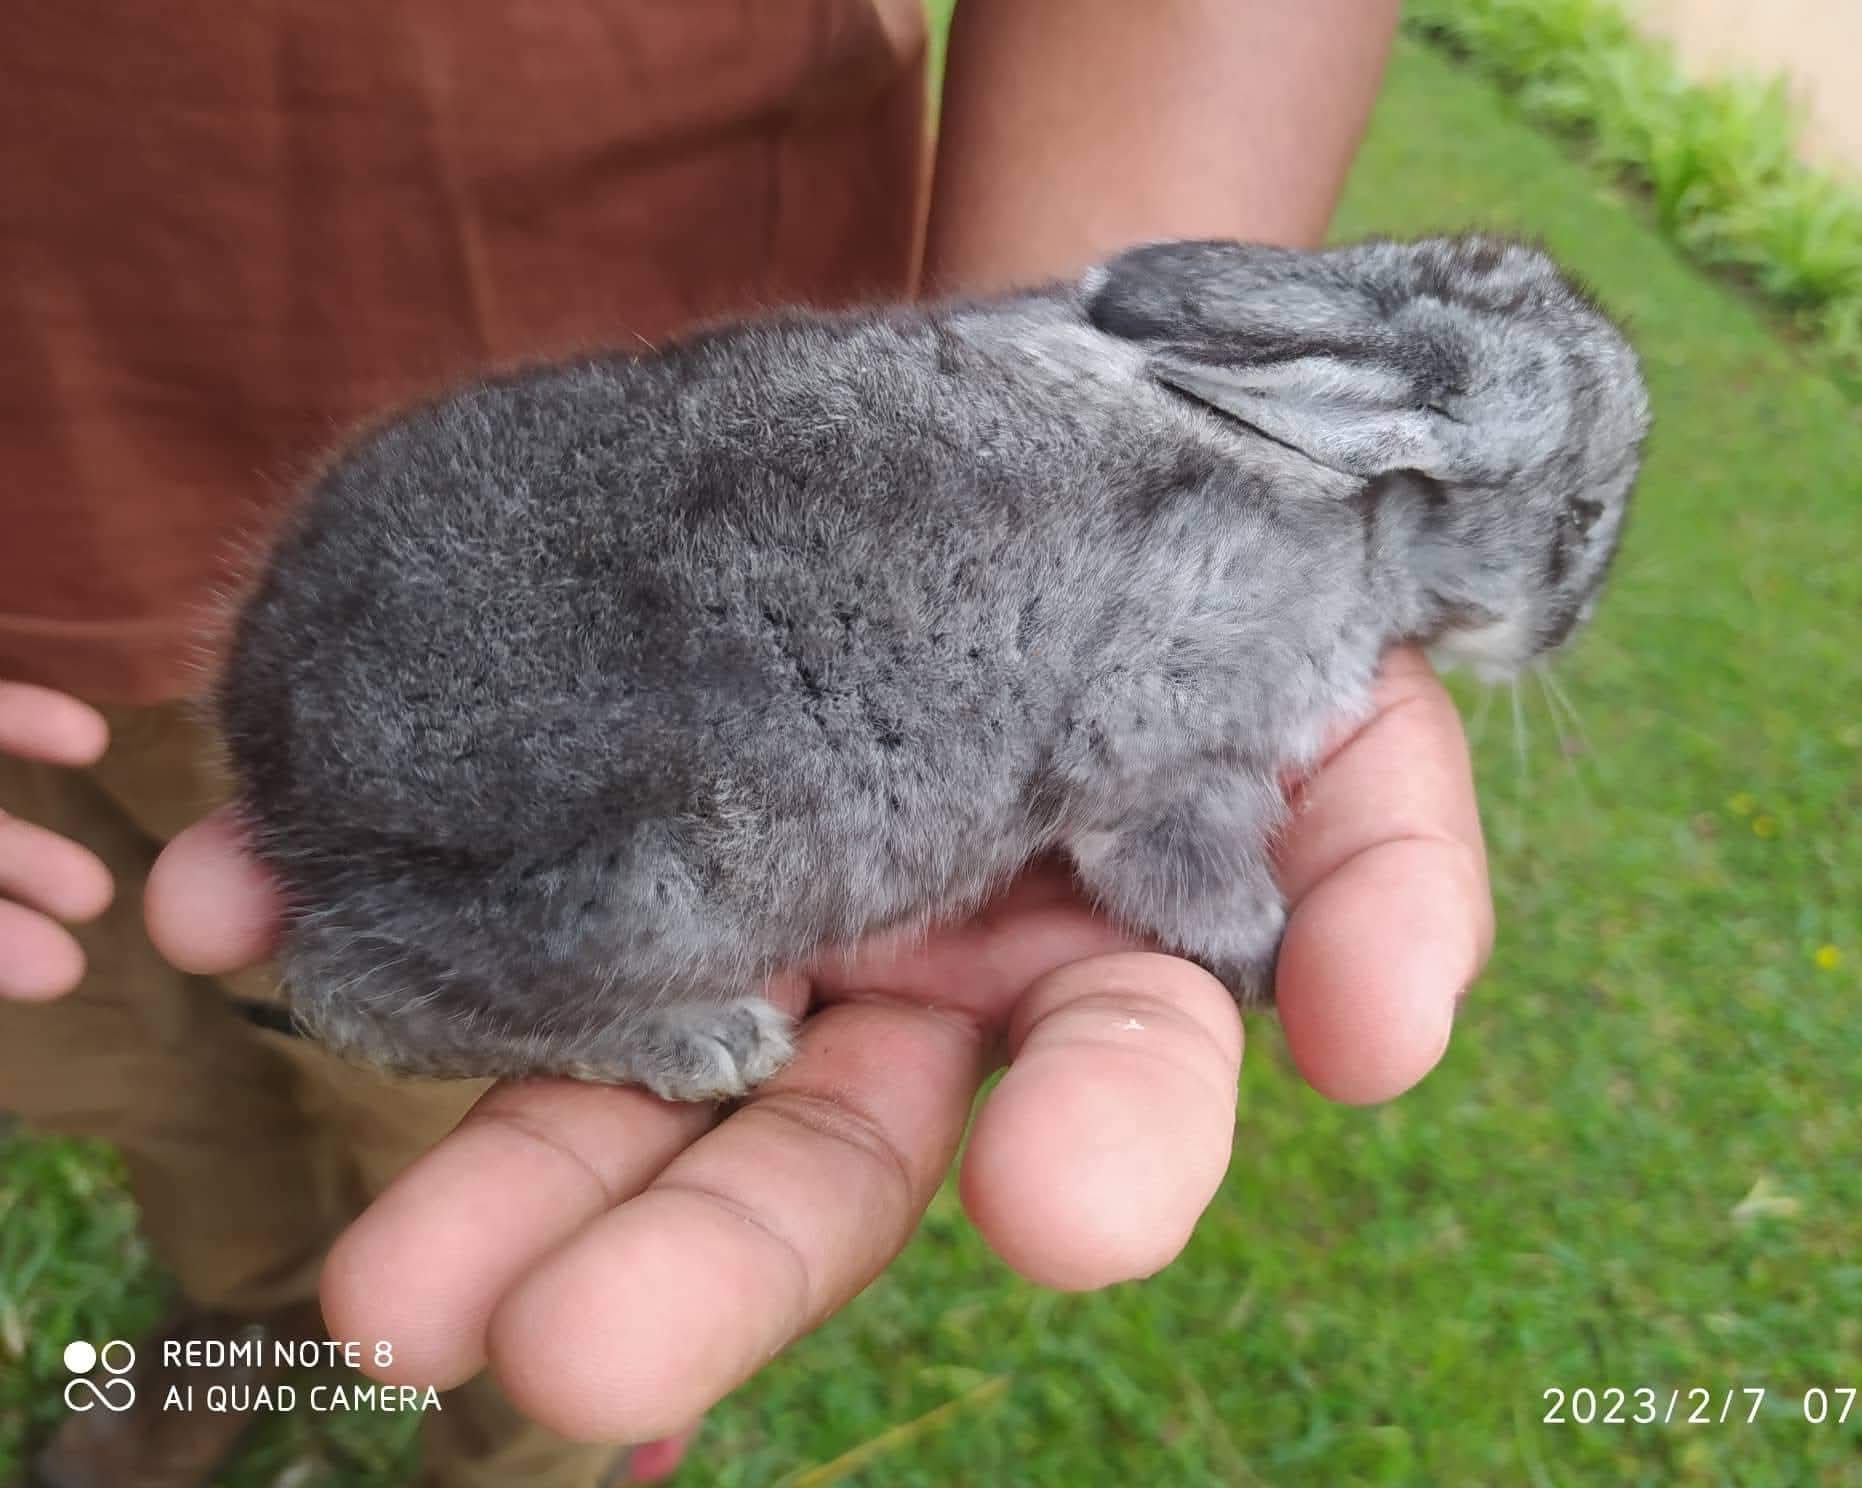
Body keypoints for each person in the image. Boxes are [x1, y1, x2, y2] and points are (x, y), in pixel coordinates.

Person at [0, 2, 1491, 1484]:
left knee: (513, 1219)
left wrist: (1121, 479)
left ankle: (514, 1453)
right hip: (112, 552)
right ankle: (225, 1329)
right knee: (159, 1084)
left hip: (648, 462)